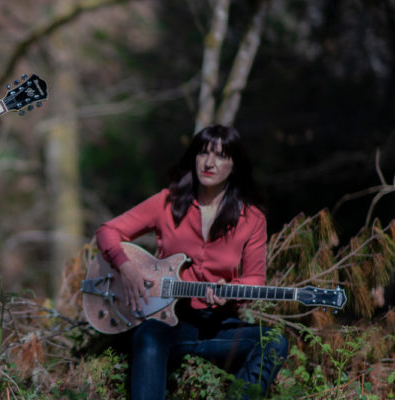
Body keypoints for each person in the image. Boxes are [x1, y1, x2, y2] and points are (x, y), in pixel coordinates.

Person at [95, 125, 289, 400]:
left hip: (220, 327)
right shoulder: (166, 202)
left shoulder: (252, 218)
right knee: (149, 337)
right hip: (167, 322)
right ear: (193, 158)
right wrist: (126, 268)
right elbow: (107, 232)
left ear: (234, 166)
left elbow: (256, 279)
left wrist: (230, 289)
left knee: (275, 342)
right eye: (203, 153)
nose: (209, 162)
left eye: (221, 156)